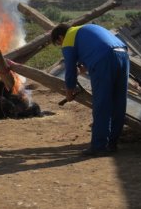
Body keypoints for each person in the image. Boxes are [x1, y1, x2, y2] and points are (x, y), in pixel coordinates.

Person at [51, 23, 130, 157]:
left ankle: (99, 146)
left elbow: (70, 69)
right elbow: (98, 50)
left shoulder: (69, 38)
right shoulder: (86, 30)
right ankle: (112, 144)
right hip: (123, 55)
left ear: (60, 37)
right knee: (119, 102)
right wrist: (83, 68)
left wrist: (69, 91)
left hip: (104, 58)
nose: (61, 46)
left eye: (59, 43)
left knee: (101, 104)